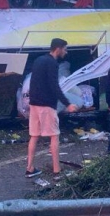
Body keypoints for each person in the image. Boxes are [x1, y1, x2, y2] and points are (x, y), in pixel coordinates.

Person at [26, 38, 79, 178]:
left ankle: (29, 168)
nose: (66, 52)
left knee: (34, 136)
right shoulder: (52, 63)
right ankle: (57, 171)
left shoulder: (38, 60)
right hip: (46, 105)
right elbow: (54, 86)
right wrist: (67, 104)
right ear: (59, 48)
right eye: (65, 49)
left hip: (34, 103)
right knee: (54, 136)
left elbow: (34, 82)